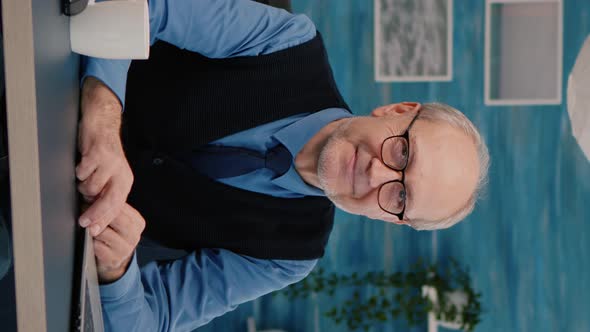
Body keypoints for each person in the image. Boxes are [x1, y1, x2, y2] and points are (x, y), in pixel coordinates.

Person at [77, 0, 490, 331]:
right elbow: (147, 7)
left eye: (401, 195)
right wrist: (102, 116)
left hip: (54, 223)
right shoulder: (287, 44)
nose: (376, 173)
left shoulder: (290, 255)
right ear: (397, 110)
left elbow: (155, 318)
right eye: (403, 152)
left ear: (392, 219)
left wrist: (117, 270)